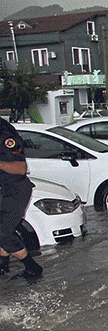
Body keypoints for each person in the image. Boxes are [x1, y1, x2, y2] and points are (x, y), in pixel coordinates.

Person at [0, 117, 43, 279]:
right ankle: (3, 266)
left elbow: (20, 168)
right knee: (4, 229)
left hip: (16, 190)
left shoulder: (6, 136)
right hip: (5, 190)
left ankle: (32, 267)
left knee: (3, 233)